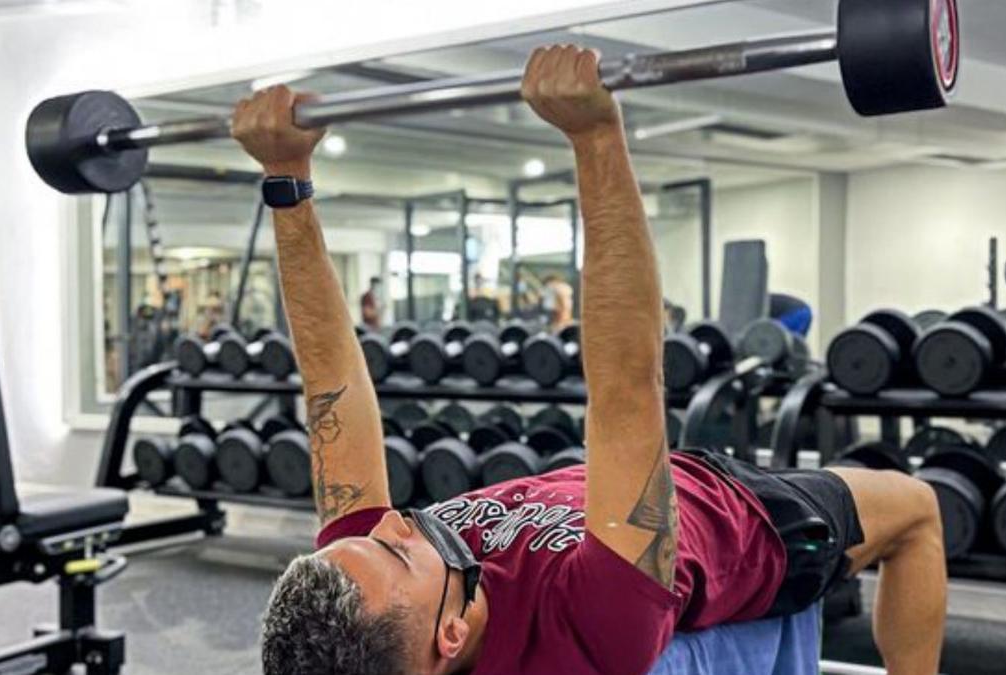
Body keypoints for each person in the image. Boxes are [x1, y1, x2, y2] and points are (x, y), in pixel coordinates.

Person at [233, 45, 946, 675]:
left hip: (620, 486)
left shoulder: (374, 599)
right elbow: (626, 386)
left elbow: (330, 383)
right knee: (917, 510)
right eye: (396, 551)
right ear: (451, 636)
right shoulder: (593, 632)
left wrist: (287, 178)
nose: (385, 523)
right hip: (748, 519)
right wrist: (597, 137)